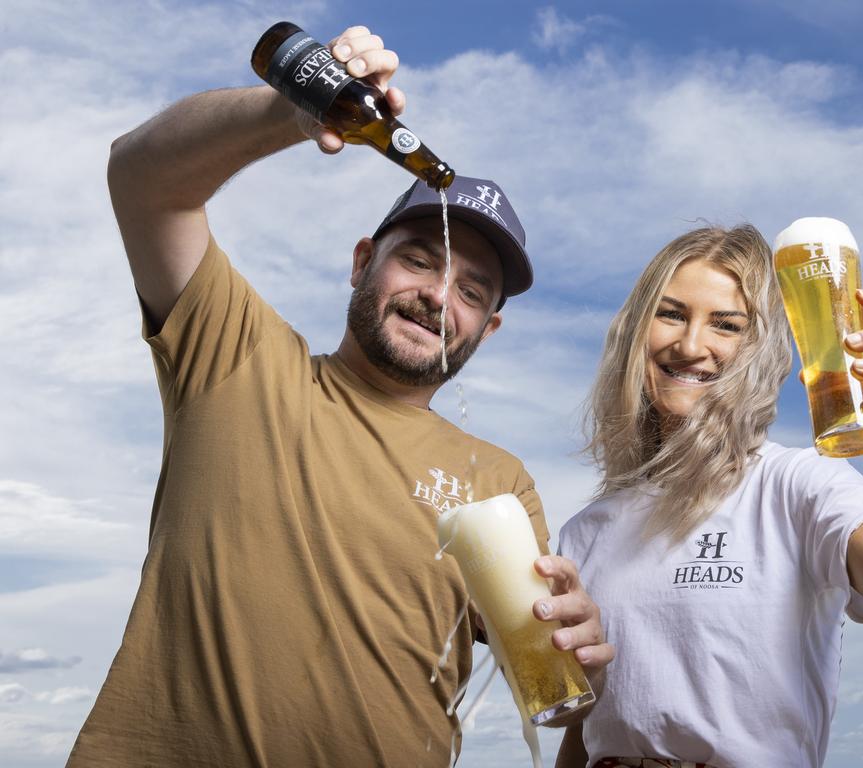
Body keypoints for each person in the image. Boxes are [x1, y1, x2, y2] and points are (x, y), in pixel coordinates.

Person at [67, 26, 612, 767]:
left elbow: (545, 686)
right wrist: (289, 114)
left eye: (471, 291)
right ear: (363, 263)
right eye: (418, 260)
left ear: (488, 327)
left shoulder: (501, 481)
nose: (435, 296)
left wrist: (580, 652)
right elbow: (141, 175)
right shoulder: (237, 356)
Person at [555, 225, 863, 767]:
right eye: (671, 314)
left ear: (758, 349)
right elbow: (586, 732)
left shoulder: (801, 486)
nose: (690, 345)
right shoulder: (586, 530)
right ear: (634, 331)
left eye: (725, 325)